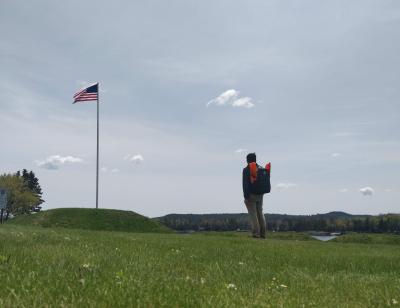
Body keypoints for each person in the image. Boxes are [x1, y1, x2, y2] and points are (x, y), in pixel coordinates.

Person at [242, 153, 267, 239]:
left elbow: (245, 184)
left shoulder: (246, 169)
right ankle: (263, 233)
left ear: (248, 160)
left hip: (251, 194)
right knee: (260, 213)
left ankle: (256, 234)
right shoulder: (261, 168)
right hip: (260, 194)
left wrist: (246, 196)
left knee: (253, 214)